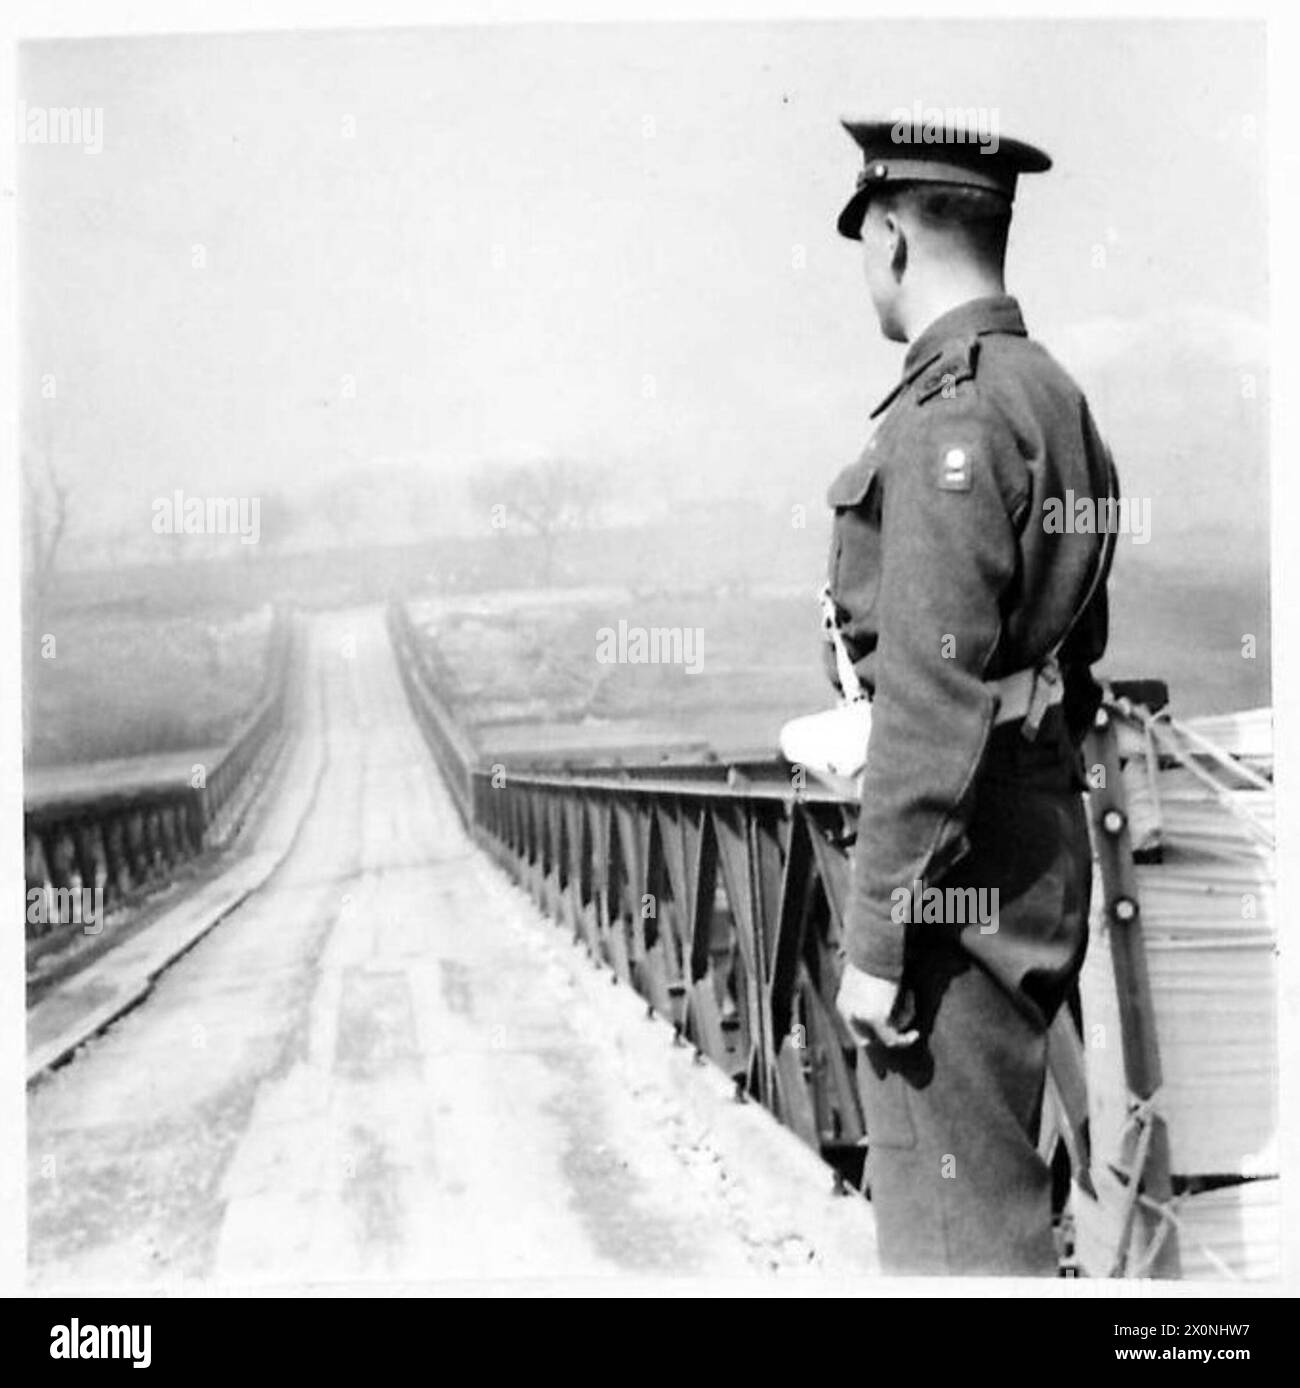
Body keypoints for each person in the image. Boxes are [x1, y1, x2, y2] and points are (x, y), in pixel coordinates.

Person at [826, 117, 1118, 1275]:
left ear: (892, 236)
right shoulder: (1053, 397)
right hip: (1030, 831)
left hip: (956, 874)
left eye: (865, 240)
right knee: (999, 1189)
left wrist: (879, 935)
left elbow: (931, 694)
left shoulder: (949, 414)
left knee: (955, 1229)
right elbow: (1076, 648)